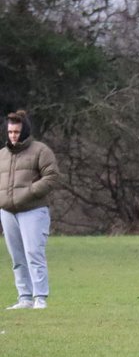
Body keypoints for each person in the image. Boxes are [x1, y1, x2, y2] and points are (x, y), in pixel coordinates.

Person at [1, 110, 59, 310]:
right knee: (17, 257)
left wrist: (30, 191)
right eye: (10, 132)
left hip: (33, 210)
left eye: (16, 132)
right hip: (7, 212)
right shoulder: (2, 155)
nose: (13, 136)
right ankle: (24, 298)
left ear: (24, 131)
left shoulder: (41, 151)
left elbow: (52, 176)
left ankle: (40, 297)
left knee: (34, 253)